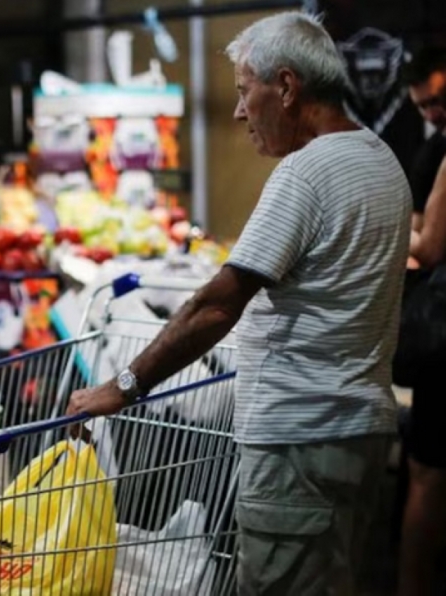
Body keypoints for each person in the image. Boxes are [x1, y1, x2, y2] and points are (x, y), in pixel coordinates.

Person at [67, 11, 412, 595]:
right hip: (359, 434)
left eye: (243, 90)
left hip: (297, 442)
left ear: (286, 86)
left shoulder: (305, 173)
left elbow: (216, 306)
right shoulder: (382, 161)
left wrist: (122, 386)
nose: (238, 111)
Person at [397, 47, 446, 596]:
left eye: (440, 99)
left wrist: (388, 229)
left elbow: (426, 245)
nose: (434, 112)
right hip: (438, 336)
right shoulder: (433, 151)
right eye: (424, 105)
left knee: (430, 474)